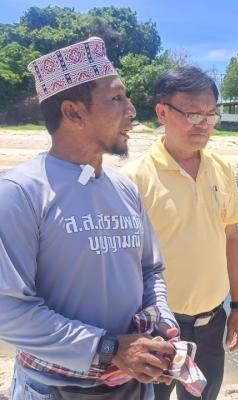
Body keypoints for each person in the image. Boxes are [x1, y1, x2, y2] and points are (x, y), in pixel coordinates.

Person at [0, 37, 179, 400]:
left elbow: (151, 270)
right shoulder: (20, 192)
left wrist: (163, 323)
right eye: (117, 98)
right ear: (73, 112)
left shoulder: (124, 188)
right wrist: (108, 348)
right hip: (53, 390)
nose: (131, 110)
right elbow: (8, 310)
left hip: (133, 386)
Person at [122, 65, 238, 400]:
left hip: (212, 322)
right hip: (156, 328)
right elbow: (123, 263)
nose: (203, 124)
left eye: (210, 114)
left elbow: (231, 238)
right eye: (192, 114)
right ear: (163, 112)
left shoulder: (221, 168)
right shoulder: (134, 179)